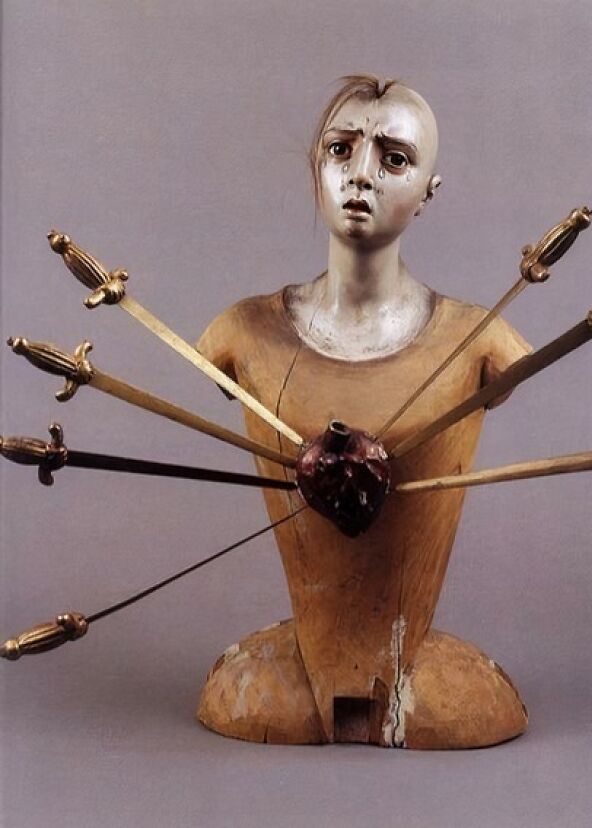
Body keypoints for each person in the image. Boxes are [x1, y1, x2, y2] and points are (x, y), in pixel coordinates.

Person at [196, 75, 530, 748]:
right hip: (281, 679)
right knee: (255, 698)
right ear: (316, 169)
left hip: (426, 675)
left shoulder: (480, 343)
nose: (361, 175)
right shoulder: (243, 334)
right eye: (340, 150)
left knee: (464, 705)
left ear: (429, 191)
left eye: (394, 159)